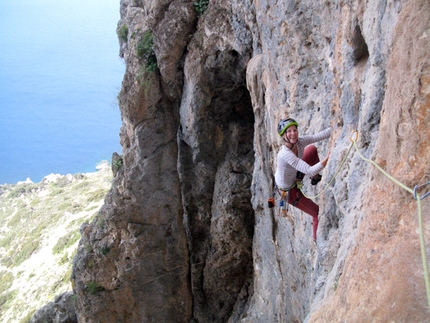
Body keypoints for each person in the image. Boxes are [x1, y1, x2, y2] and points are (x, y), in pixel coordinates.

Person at [274, 118, 331, 241]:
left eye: (295, 130)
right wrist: (329, 157)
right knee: (316, 213)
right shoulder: (284, 154)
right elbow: (309, 170)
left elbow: (317, 136)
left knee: (311, 150)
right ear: (283, 135)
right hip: (289, 192)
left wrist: (336, 129)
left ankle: (315, 179)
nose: (293, 133)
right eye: (289, 131)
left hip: (294, 176)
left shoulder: (299, 142)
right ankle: (317, 240)